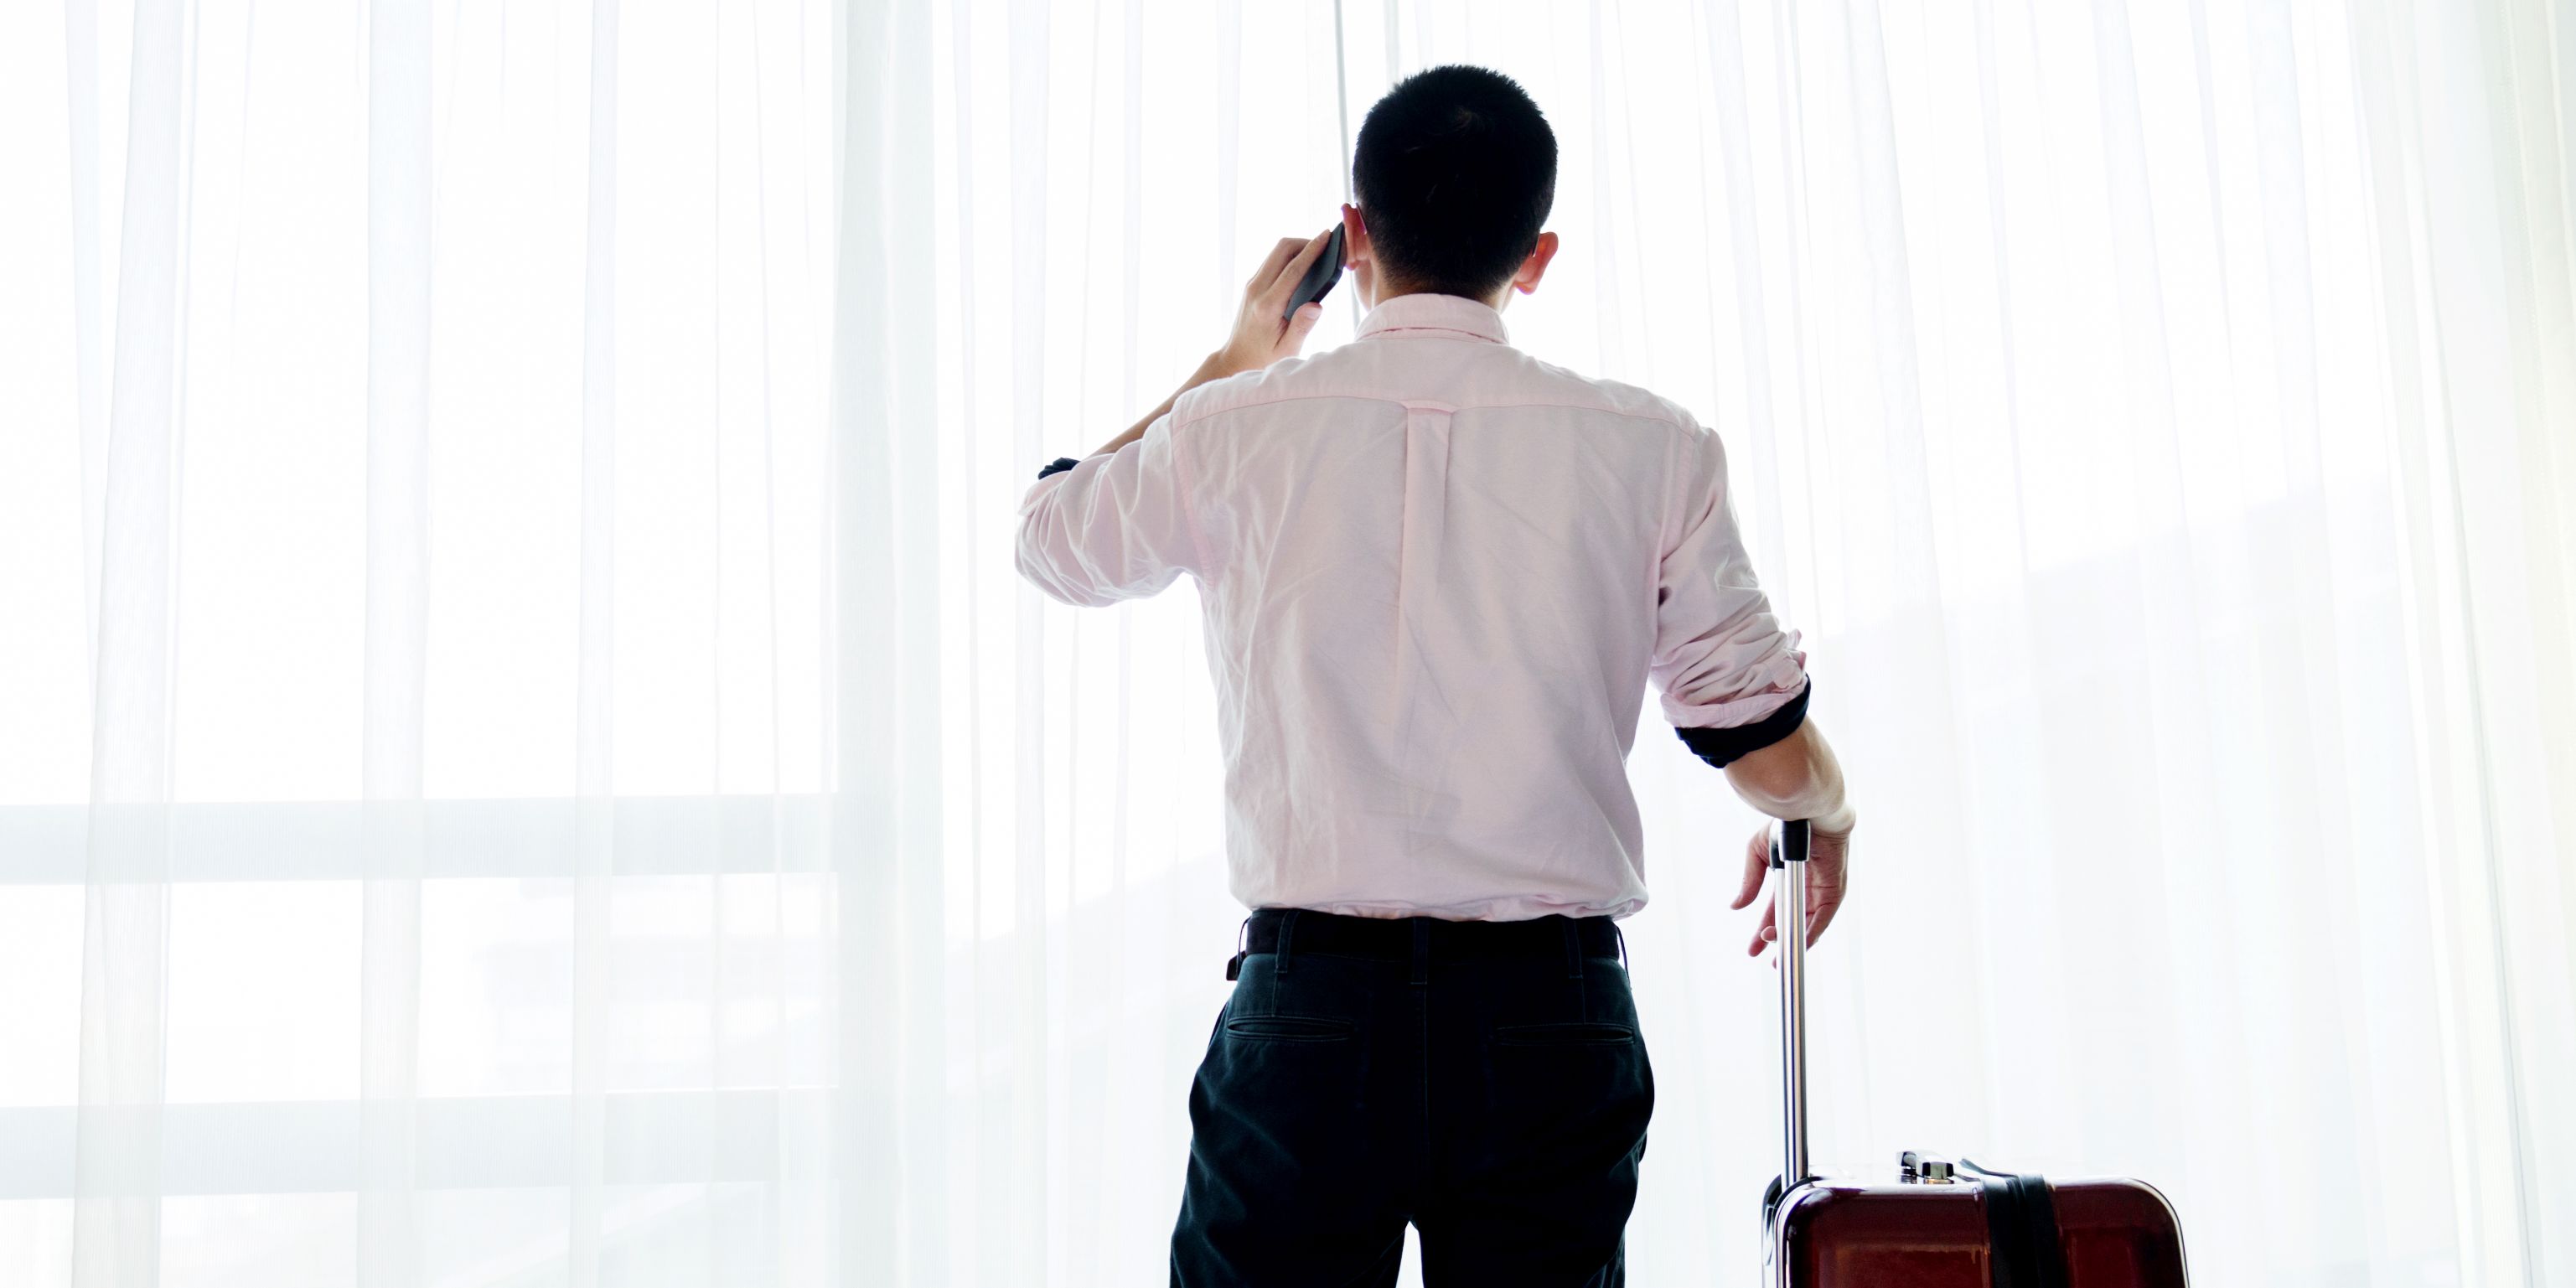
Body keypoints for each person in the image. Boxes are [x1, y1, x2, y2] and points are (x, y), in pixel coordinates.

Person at [1015, 64, 1855, 1287]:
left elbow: (1053, 539)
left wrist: (1231, 356)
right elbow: (1762, 745)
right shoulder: (1652, 447)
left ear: (1353, 237)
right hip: (1546, 1016)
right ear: (1539, 254)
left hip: (1307, 1013)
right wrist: (1827, 814)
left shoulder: (1236, 424)